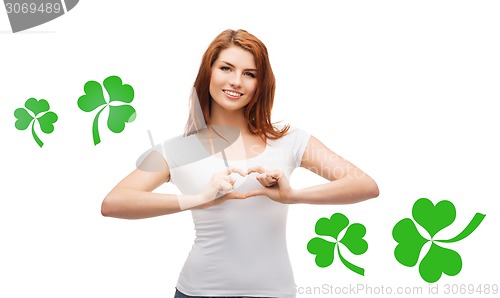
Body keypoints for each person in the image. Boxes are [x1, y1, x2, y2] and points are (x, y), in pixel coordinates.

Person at [101, 29, 379, 298]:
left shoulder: (290, 140)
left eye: (249, 74)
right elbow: (114, 202)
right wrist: (199, 199)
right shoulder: (177, 150)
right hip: (199, 291)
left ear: (261, 84)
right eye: (226, 68)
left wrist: (292, 196)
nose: (236, 81)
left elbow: (364, 185)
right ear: (208, 73)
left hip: (274, 292)